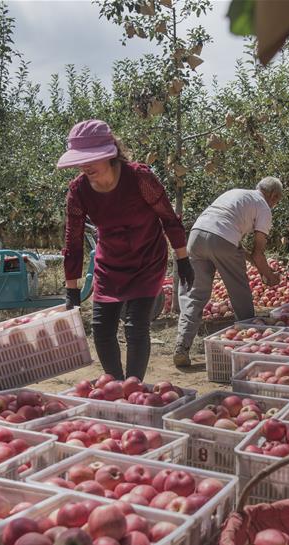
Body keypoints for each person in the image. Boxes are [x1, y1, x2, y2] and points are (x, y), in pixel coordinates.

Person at [59, 119, 193, 381]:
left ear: (110, 154)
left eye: (91, 158)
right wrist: (71, 290)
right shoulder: (79, 190)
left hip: (147, 259)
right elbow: (72, 240)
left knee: (136, 327)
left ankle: (134, 389)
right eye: (81, 160)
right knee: (101, 328)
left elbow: (167, 217)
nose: (85, 165)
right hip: (110, 263)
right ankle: (115, 385)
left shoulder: (139, 177)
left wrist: (183, 258)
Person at [173, 178, 284, 367]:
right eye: (277, 201)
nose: (274, 205)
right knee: (240, 293)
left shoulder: (236, 193)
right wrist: (270, 276)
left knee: (195, 295)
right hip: (222, 239)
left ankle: (182, 345)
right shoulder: (263, 206)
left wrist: (260, 268)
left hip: (196, 237)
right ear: (274, 196)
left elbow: (236, 245)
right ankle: (248, 348)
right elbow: (258, 252)